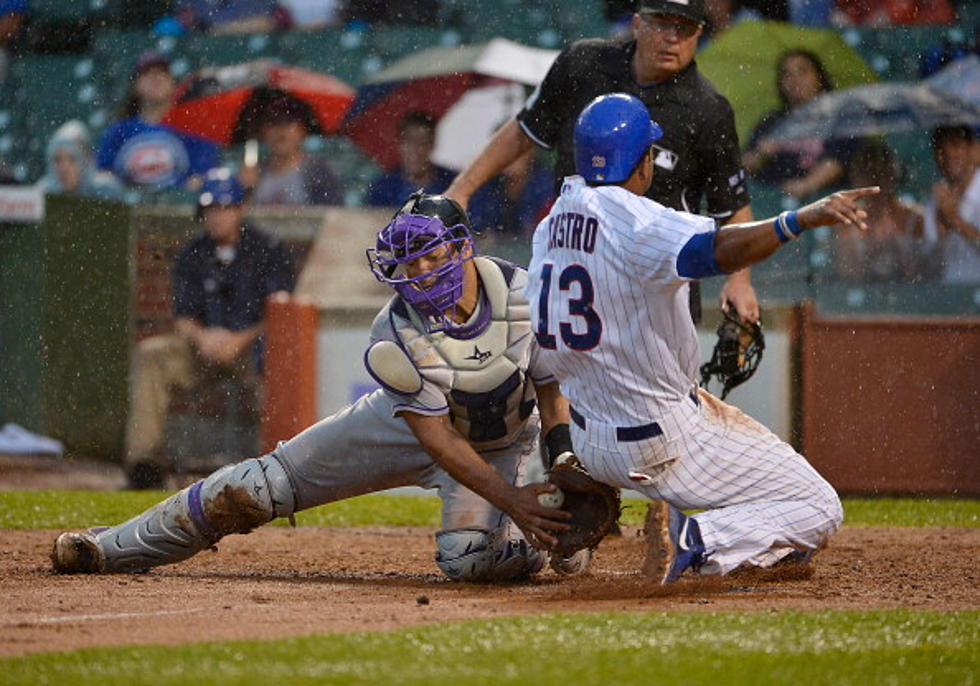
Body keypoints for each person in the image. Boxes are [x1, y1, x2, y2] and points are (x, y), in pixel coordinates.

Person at [51, 192, 587, 582]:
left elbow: (549, 389)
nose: (420, 273)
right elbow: (436, 438)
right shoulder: (395, 327)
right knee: (256, 487)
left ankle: (545, 549)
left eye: (432, 255)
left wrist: (558, 463)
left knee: (469, 561)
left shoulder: (524, 295)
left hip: (497, 443)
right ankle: (108, 548)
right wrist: (513, 499)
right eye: (408, 262)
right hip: (402, 428)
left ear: (463, 248)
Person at [525, 93, 875, 584]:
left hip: (590, 436)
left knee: (769, 520)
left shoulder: (551, 224)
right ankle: (695, 540)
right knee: (817, 506)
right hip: (659, 438)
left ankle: (714, 542)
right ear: (642, 159)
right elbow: (717, 250)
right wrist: (795, 220)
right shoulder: (636, 218)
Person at [446, 0, 759, 325]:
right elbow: (524, 131)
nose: (671, 37)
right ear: (637, 23)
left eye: (684, 28)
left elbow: (732, 206)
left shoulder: (707, 111)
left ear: (699, 34)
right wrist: (462, 188)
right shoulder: (582, 64)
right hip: (571, 267)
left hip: (651, 284)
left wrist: (739, 281)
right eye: (660, 23)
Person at [123, 168, 295, 489]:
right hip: (202, 350)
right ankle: (145, 465)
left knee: (279, 358)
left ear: (240, 209)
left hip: (253, 349)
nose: (217, 217)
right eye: (211, 209)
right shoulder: (193, 253)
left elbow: (280, 311)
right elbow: (183, 316)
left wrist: (238, 339)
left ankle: (279, 466)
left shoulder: (267, 248)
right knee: (151, 354)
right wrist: (204, 337)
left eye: (225, 208)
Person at [741, 50, 859, 201]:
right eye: (787, 74)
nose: (795, 79)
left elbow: (839, 161)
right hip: (774, 204)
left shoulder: (841, 118)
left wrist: (806, 185)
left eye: (802, 71)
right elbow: (743, 168)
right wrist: (761, 153)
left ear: (819, 78)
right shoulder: (772, 122)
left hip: (828, 202)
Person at [96, 51, 221, 191]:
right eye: (147, 73)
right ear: (135, 86)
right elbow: (103, 178)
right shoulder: (118, 132)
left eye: (162, 72)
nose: (156, 78)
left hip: (176, 209)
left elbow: (201, 178)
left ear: (173, 82)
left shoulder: (193, 127)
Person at [833, 141, 931, 282]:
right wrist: (871, 256)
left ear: (892, 177)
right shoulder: (845, 222)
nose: (875, 181)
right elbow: (846, 276)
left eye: (881, 173)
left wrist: (898, 255)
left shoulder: (915, 218)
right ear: (857, 179)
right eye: (868, 174)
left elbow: (926, 273)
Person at [239, 93, 344, 206]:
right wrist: (245, 191)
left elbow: (332, 216)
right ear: (262, 132)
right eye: (273, 123)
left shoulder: (319, 172)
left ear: (303, 130)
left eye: (288, 123)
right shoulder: (254, 174)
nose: (281, 132)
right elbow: (242, 219)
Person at [924, 126, 980, 283]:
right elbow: (930, 264)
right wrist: (942, 233)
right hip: (949, 298)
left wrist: (955, 221)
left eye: (956, 145)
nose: (949, 154)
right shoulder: (936, 198)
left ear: (974, 149)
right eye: (941, 148)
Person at [364, 111, 455, 207]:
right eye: (409, 141)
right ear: (399, 144)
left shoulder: (453, 185)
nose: (415, 149)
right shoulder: (381, 190)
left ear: (432, 144)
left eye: (423, 142)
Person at [466, 147, 554, 239]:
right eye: (503, 152)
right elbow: (474, 226)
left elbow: (544, 234)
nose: (511, 157)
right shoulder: (487, 183)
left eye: (517, 151)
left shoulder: (545, 185)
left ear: (531, 152)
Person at [39, 120, 125, 202]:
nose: (63, 168)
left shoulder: (106, 191)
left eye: (71, 159)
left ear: (86, 160)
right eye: (57, 160)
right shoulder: (43, 193)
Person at [175, 0, 289, 34]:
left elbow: (269, 22)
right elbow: (186, 23)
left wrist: (214, 29)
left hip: (256, 58)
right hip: (207, 59)